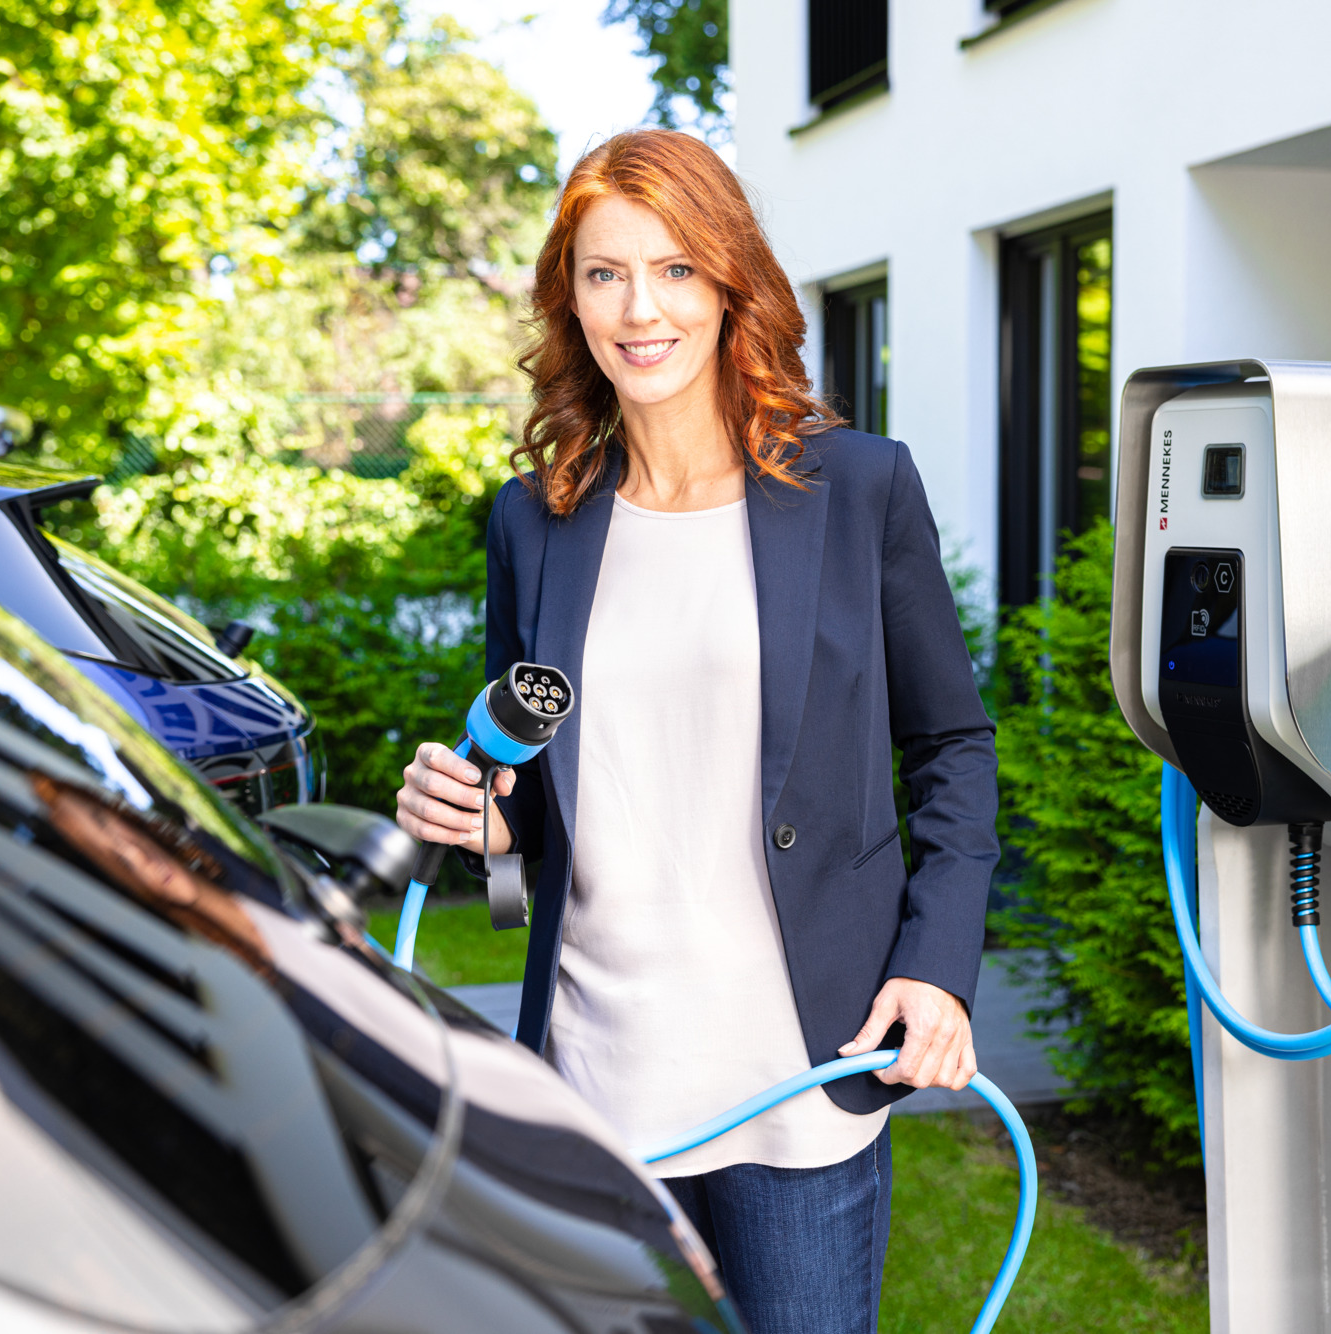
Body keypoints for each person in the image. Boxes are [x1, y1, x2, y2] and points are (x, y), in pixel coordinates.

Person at [393, 129, 998, 1334]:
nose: (639, 308)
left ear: (730, 284)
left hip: (798, 1065)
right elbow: (529, 811)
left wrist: (932, 966)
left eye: (673, 268)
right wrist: (474, 815)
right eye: (603, 273)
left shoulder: (859, 488)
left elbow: (951, 747)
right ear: (569, 300)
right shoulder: (536, 518)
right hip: (594, 1069)